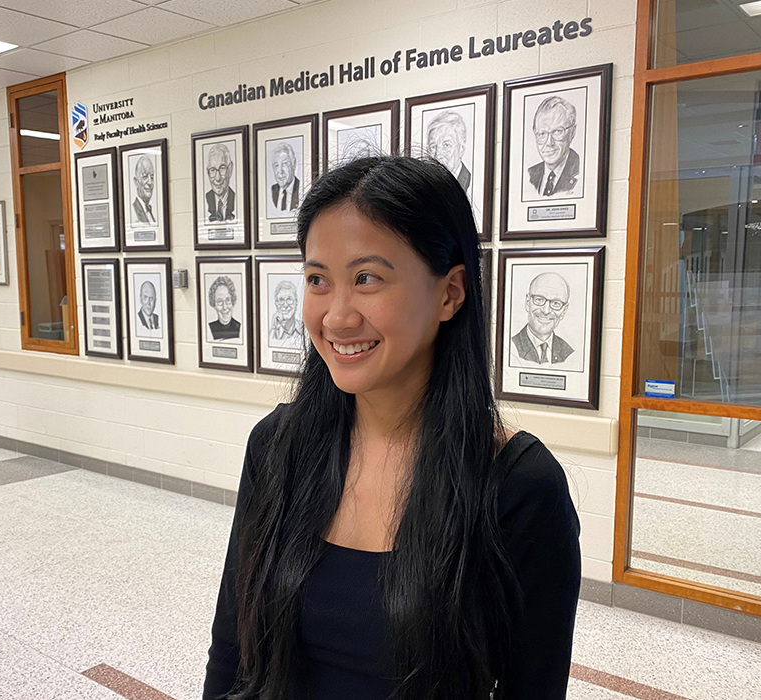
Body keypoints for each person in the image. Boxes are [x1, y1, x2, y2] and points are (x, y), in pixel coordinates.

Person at [203, 156, 580, 700]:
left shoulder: (518, 487)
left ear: (450, 293)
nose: (336, 316)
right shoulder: (277, 446)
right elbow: (233, 649)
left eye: (366, 278)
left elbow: (533, 690)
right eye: (317, 279)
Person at [512, 272, 574, 365]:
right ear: (528, 302)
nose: (546, 311)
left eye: (556, 303)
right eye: (539, 299)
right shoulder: (511, 346)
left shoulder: (568, 353)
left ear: (564, 311)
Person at [527, 95, 580, 198]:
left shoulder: (581, 173)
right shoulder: (529, 175)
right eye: (542, 134)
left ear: (572, 132)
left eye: (557, 131)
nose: (549, 142)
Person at [426, 110, 471, 191]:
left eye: (446, 145)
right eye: (433, 147)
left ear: (462, 147)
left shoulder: (467, 180)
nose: (438, 154)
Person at [205, 142, 236, 222]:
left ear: (230, 169)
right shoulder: (206, 200)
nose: (217, 178)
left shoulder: (236, 199)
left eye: (222, 168)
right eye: (212, 170)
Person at [269, 280, 304, 347]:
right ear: (276, 303)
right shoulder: (272, 333)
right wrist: (274, 328)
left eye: (289, 299)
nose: (285, 305)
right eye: (281, 300)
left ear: (296, 302)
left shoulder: (304, 329)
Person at [270, 142, 301, 214]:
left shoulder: (301, 189)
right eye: (276, 165)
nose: (280, 171)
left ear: (293, 164)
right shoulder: (272, 191)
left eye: (284, 164)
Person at [208, 275, 241, 341]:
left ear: (232, 301)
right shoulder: (209, 328)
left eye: (228, 300)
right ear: (214, 305)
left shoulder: (239, 327)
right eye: (220, 301)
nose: (224, 307)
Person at [131, 156, 157, 226]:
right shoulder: (133, 211)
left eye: (152, 177)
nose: (150, 182)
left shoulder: (150, 212)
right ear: (136, 182)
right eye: (145, 176)